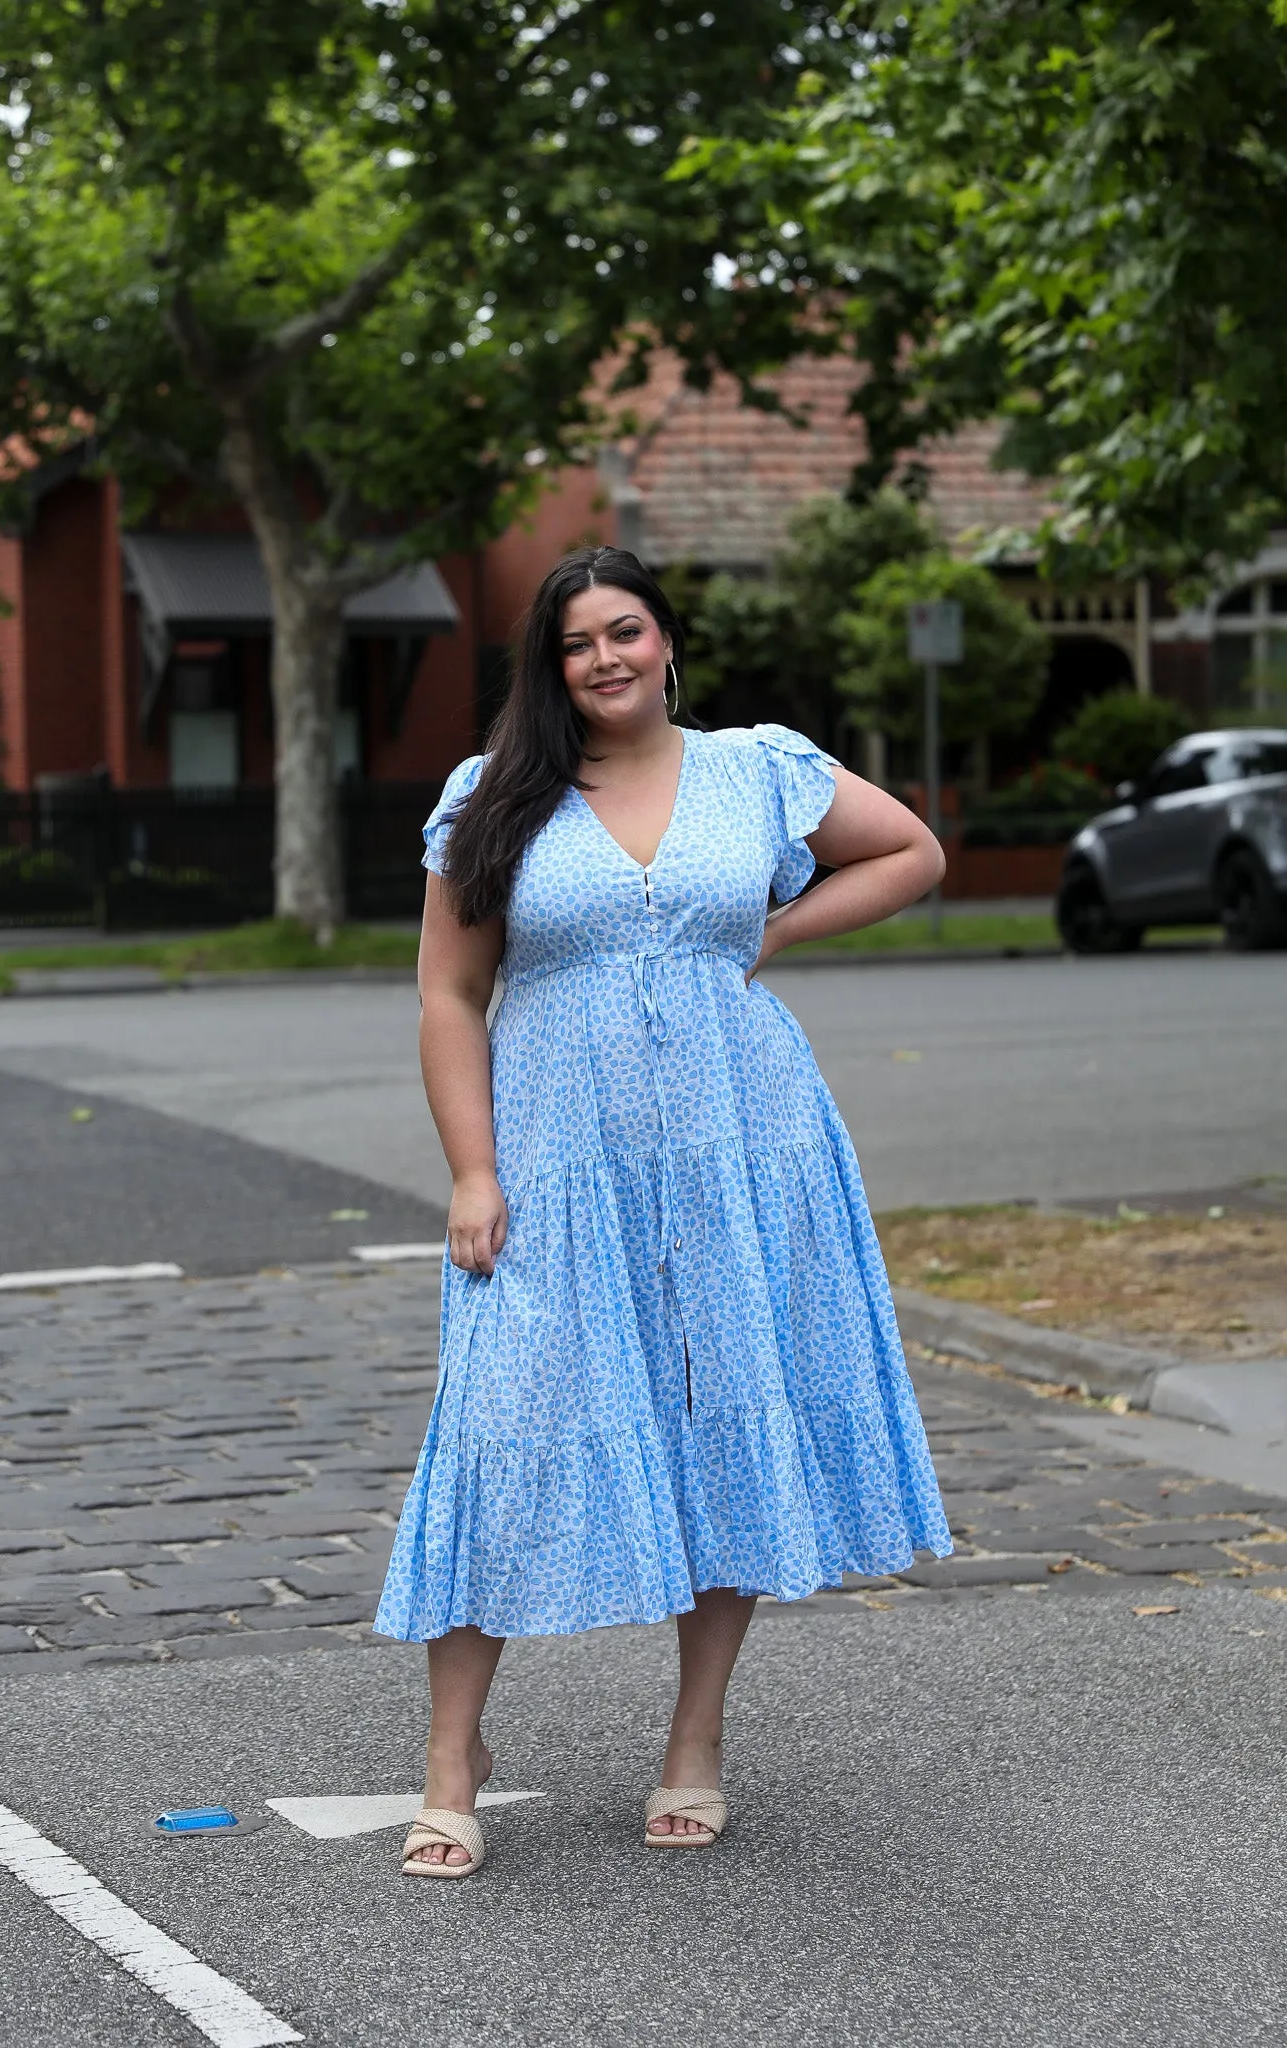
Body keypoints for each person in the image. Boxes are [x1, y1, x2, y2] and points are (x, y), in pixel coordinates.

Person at [375, 545, 952, 1877]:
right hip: (554, 1166)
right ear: (551, 665)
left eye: (625, 631)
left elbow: (913, 851)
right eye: (577, 643)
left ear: (666, 639)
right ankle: (453, 1756)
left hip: (742, 1146)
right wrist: (473, 1171)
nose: (606, 659)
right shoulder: (494, 796)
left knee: (728, 1414)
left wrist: (770, 933)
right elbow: (448, 996)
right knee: (501, 1425)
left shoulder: (759, 769)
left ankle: (696, 1741)